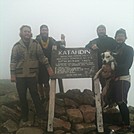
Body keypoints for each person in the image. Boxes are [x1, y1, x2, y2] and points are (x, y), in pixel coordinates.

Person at [10, 25, 54, 123]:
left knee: (35, 95)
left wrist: (49, 68)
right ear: (21, 33)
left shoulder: (35, 44)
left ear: (31, 33)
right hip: (20, 75)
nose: (27, 33)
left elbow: (42, 57)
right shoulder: (16, 46)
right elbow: (13, 61)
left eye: (29, 31)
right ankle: (24, 115)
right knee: (22, 96)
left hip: (32, 75)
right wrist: (12, 74)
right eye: (25, 31)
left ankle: (41, 114)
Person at [36, 25, 66, 102]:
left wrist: (63, 41)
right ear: (40, 31)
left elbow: (61, 46)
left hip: (48, 65)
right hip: (38, 64)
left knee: (46, 82)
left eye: (46, 30)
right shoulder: (36, 41)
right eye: (43, 30)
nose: (44, 32)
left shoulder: (51, 40)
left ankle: (47, 97)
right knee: (39, 82)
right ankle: (41, 97)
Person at [113, 28, 133, 130]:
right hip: (115, 79)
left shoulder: (129, 49)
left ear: (125, 38)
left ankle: (127, 124)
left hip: (123, 78)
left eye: (122, 36)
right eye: (118, 36)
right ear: (115, 37)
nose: (120, 37)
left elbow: (127, 65)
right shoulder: (113, 50)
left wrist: (114, 66)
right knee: (117, 100)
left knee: (121, 100)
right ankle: (124, 122)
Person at [85, 25, 116, 89]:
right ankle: (96, 99)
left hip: (108, 68)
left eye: (102, 30)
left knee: (107, 88)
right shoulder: (94, 41)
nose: (101, 31)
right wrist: (91, 47)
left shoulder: (111, 40)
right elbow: (86, 48)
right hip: (96, 68)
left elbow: (116, 50)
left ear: (105, 31)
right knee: (95, 89)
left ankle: (106, 99)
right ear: (97, 32)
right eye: (99, 30)